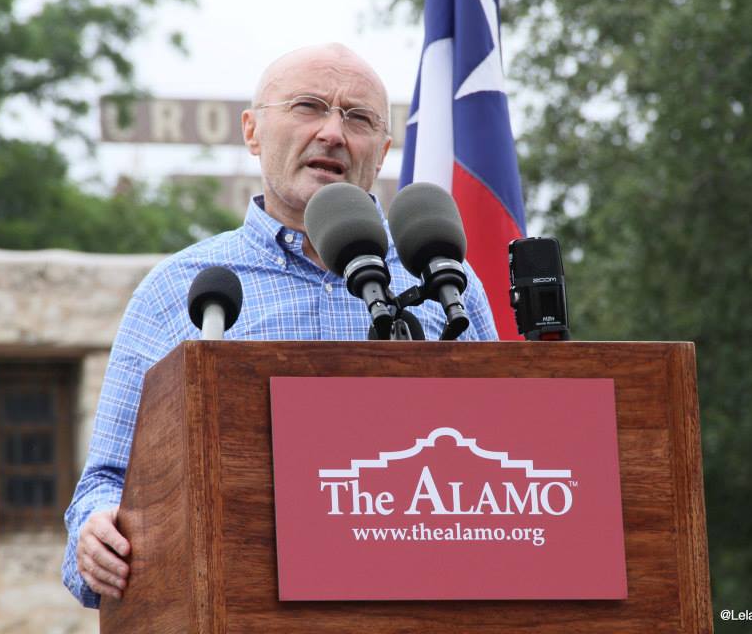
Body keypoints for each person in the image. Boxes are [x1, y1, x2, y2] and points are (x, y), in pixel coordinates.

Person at [62, 43, 499, 608]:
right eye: (309, 106)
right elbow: (106, 482)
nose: (333, 133)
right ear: (252, 131)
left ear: (384, 150)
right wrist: (94, 532)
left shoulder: (443, 279)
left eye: (359, 118)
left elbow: (502, 454)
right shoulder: (179, 290)